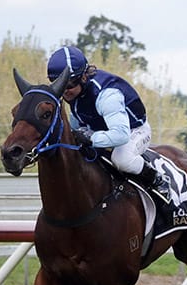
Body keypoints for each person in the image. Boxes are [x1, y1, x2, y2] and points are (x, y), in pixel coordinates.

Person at [46, 45, 163, 189]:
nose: (65, 91)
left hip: (133, 131)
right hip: (100, 131)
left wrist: (90, 139)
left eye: (69, 84)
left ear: (83, 76)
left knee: (122, 159)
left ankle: (157, 180)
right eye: (59, 85)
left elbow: (121, 135)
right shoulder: (75, 93)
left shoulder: (107, 96)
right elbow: (75, 128)